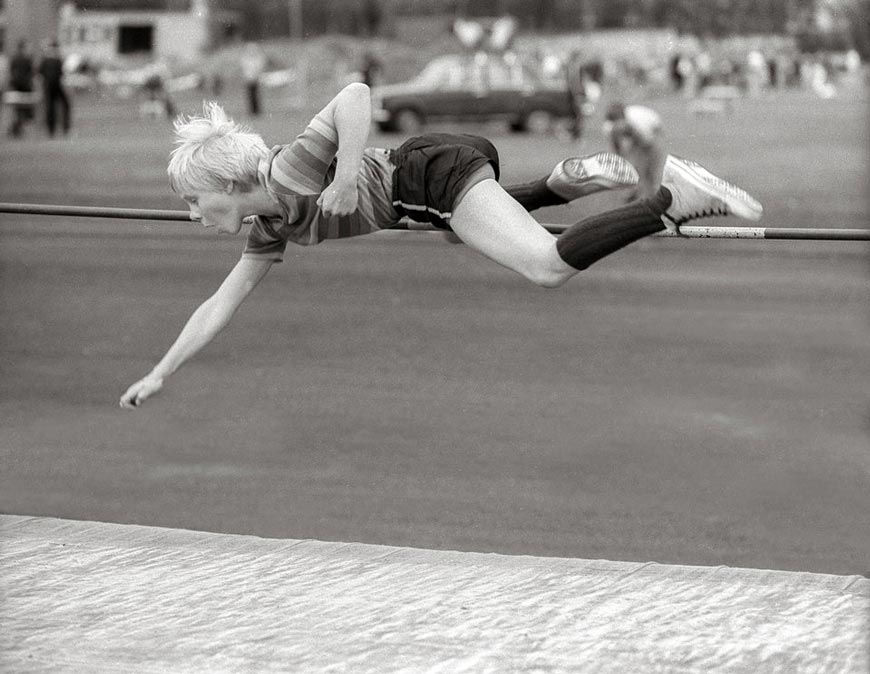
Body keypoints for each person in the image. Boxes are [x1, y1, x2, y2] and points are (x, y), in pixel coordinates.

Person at [120, 83, 762, 409]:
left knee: (543, 266)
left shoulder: (288, 173)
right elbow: (217, 305)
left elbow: (354, 95)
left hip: (430, 175)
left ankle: (667, 199)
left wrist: (344, 176)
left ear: (225, 183)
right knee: (462, 232)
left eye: (193, 200)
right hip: (433, 185)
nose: (192, 214)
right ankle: (568, 179)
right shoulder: (269, 226)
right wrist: (161, 371)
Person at [603, 102, 665, 201]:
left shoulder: (638, 121)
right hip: (635, 135)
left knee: (649, 168)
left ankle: (651, 195)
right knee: (634, 165)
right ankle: (634, 190)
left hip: (652, 130)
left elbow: (647, 143)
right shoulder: (609, 127)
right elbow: (615, 146)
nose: (618, 126)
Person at [37, 40, 71, 137]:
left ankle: (51, 130)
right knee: (65, 105)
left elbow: (39, 74)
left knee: (50, 108)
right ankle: (65, 127)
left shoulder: (45, 59)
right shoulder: (56, 60)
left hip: (47, 86)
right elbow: (62, 74)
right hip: (56, 86)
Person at [7, 40, 35, 138]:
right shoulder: (27, 59)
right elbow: (31, 73)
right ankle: (18, 128)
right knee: (24, 109)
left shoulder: (14, 58)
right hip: (24, 87)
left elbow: (11, 72)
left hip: (15, 86)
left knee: (17, 109)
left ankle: (16, 128)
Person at [240, 42, 266, 116]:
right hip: (249, 79)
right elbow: (245, 68)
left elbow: (259, 67)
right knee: (251, 95)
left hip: (255, 79)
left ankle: (256, 110)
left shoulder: (257, 59)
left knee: (255, 95)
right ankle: (252, 110)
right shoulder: (247, 59)